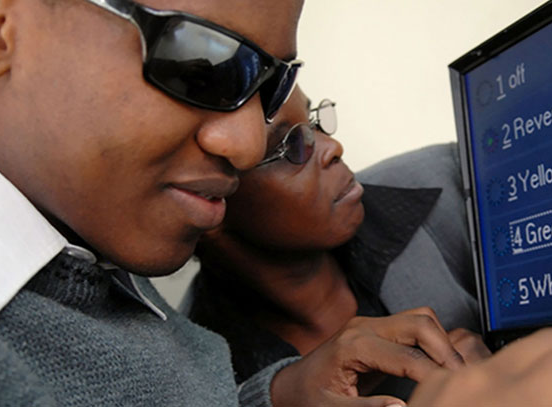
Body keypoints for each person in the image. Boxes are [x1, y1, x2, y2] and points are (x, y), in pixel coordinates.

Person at [0, 0, 552, 405]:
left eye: (272, 88)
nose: (244, 140)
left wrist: (279, 399)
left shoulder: (92, 262)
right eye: (199, 62)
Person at [189, 86, 486, 396]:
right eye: (290, 145)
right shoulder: (203, 384)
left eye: (314, 123)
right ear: (208, 203)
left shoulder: (455, 179)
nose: (333, 147)